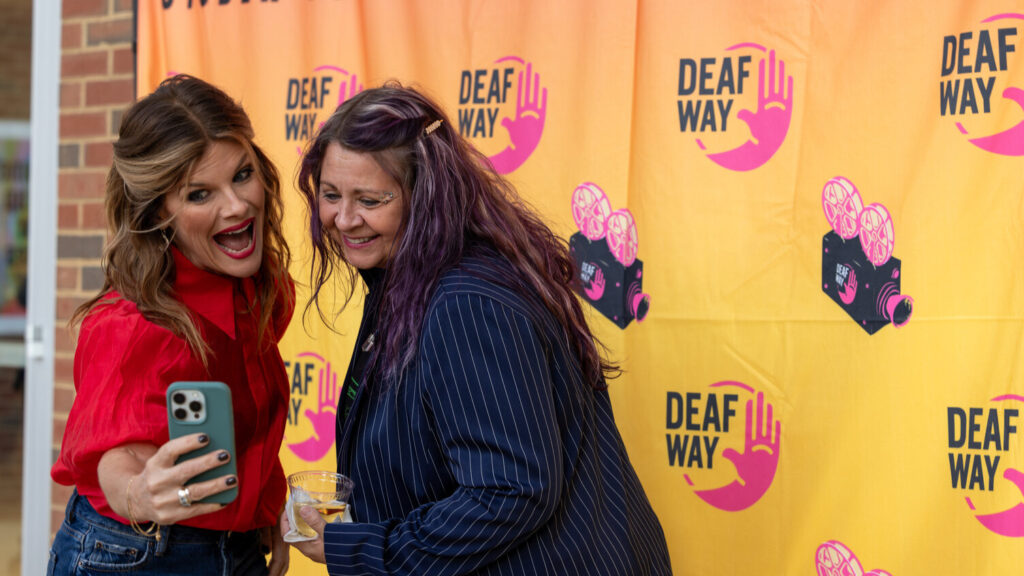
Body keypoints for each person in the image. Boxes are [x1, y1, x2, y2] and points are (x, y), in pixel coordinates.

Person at [285, 82, 672, 575]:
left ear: (425, 196)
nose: (343, 219)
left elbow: (510, 490)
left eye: (370, 199)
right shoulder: (406, 279)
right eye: (331, 195)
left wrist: (362, 548)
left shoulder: (462, 300)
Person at [49, 75, 294, 575]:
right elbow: (112, 456)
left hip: (236, 546)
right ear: (160, 212)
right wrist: (138, 494)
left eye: (243, 174)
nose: (237, 204)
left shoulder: (258, 289)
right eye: (200, 194)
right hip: (137, 554)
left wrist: (263, 506)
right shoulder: (132, 326)